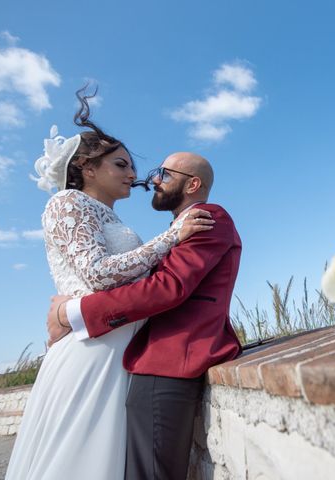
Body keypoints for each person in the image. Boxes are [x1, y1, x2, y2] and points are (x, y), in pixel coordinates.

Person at [6, 90, 213, 480]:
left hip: (124, 347)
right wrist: (170, 238)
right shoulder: (66, 203)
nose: (133, 176)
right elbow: (98, 273)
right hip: (93, 350)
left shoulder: (113, 219)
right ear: (87, 167)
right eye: (121, 164)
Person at [46, 144, 243, 478]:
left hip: (169, 358)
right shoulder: (177, 231)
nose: (151, 181)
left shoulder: (208, 218)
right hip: (135, 357)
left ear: (192, 184)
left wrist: (73, 313)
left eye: (163, 174)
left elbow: (167, 288)